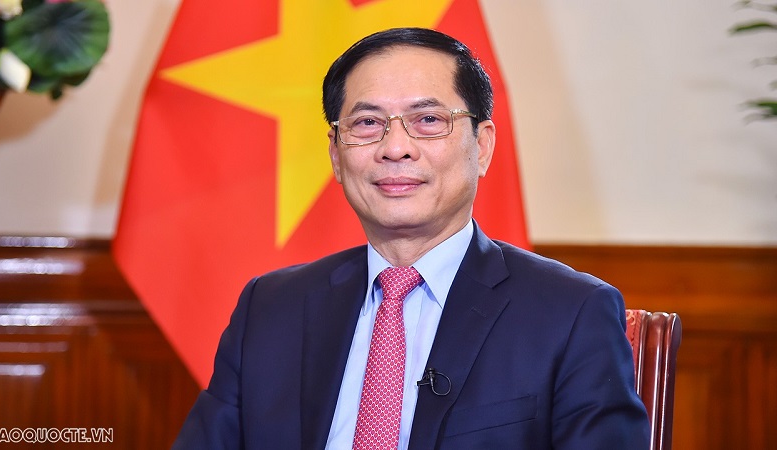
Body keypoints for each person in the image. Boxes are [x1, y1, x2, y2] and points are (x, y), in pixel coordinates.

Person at [173, 27, 650, 449]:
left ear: (482, 145)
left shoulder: (570, 313)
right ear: (336, 156)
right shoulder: (270, 308)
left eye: (428, 120)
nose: (395, 148)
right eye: (367, 123)